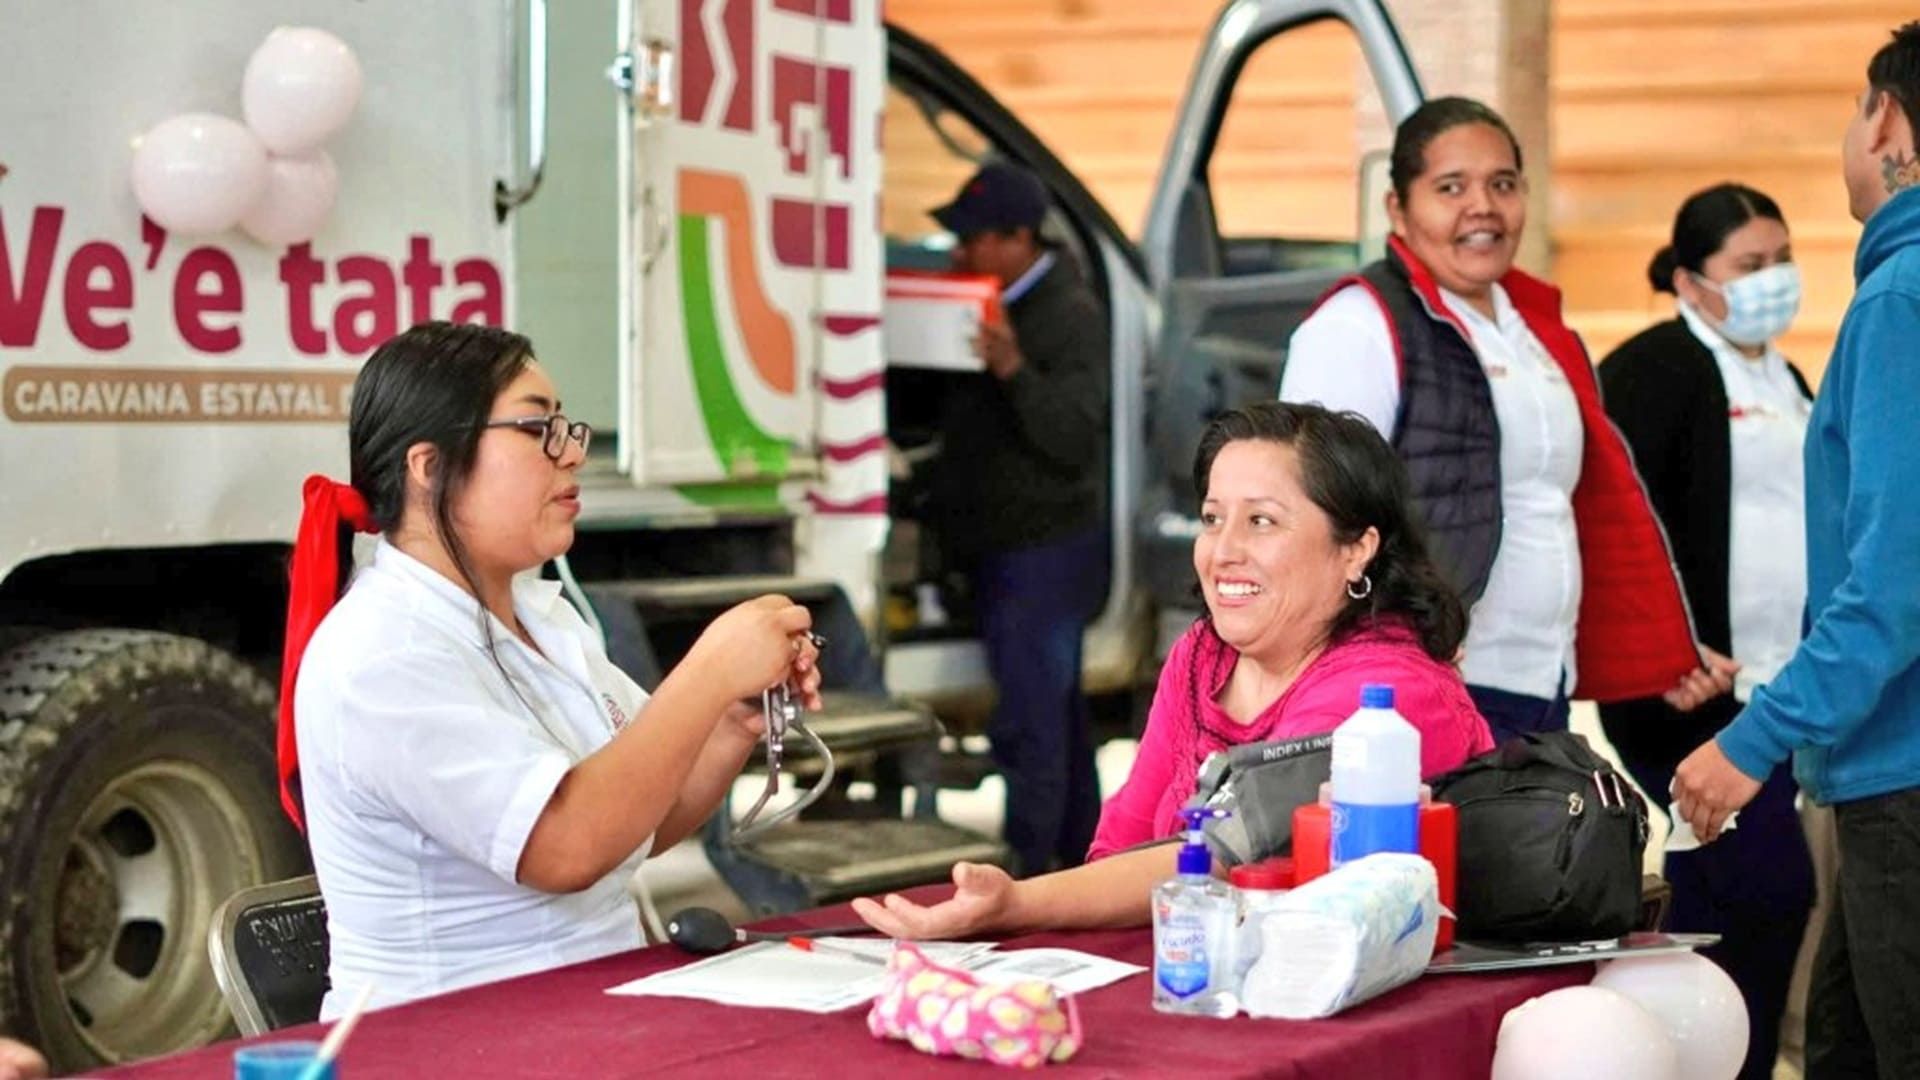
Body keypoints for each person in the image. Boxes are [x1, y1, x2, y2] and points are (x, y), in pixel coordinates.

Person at [282, 321, 822, 1017]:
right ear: (429, 465)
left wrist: (729, 723)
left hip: (582, 1012)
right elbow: (566, 846)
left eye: (566, 429)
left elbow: (637, 823)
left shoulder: (541, 616)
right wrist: (710, 671)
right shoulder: (382, 654)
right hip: (445, 1039)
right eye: (538, 431)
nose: (571, 457)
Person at [852, 401, 1494, 938]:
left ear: (1357, 549)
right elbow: (1125, 833)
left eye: (1262, 521)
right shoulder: (1202, 655)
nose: (1223, 551)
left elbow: (1231, 855)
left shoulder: (1388, 693)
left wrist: (1021, 904)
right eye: (1213, 519)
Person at [1279, 96, 1734, 742]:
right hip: (1426, 687)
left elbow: (1581, 509)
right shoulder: (1357, 326)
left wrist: (1664, 645)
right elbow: (1313, 516)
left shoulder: (1537, 329)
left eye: (1502, 184)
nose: (1482, 206)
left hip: (1542, 681)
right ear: (1397, 209)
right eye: (1450, 187)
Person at [1674, 23, 1920, 1078]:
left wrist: (1755, 738)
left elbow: (1896, 581)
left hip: (1902, 776)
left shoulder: (1902, 298)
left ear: (1889, 120)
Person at [1597, 183, 1816, 1080]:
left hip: (1776, 688)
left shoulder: (1785, 375)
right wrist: (1665, 647)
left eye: (1782, 259)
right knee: (1764, 889)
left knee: (1745, 899)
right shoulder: (1654, 369)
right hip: (1686, 694)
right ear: (1691, 281)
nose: (1774, 281)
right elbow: (1620, 525)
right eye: (1749, 267)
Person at [926, 161, 1111, 876]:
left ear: (1018, 238)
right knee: (1057, 720)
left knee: (1032, 723)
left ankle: (1028, 877)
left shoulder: (1068, 313)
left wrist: (1013, 370)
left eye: (974, 238)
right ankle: (1081, 860)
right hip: (1006, 547)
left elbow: (1073, 436)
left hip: (1047, 550)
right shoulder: (986, 301)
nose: (960, 252)